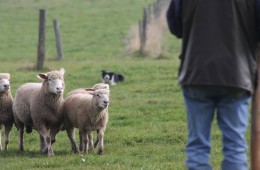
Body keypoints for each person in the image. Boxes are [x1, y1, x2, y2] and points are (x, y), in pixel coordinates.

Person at [167, 0, 259, 169]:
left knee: (197, 146)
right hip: (237, 75)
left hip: (196, 72)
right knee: (235, 147)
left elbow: (175, 26)